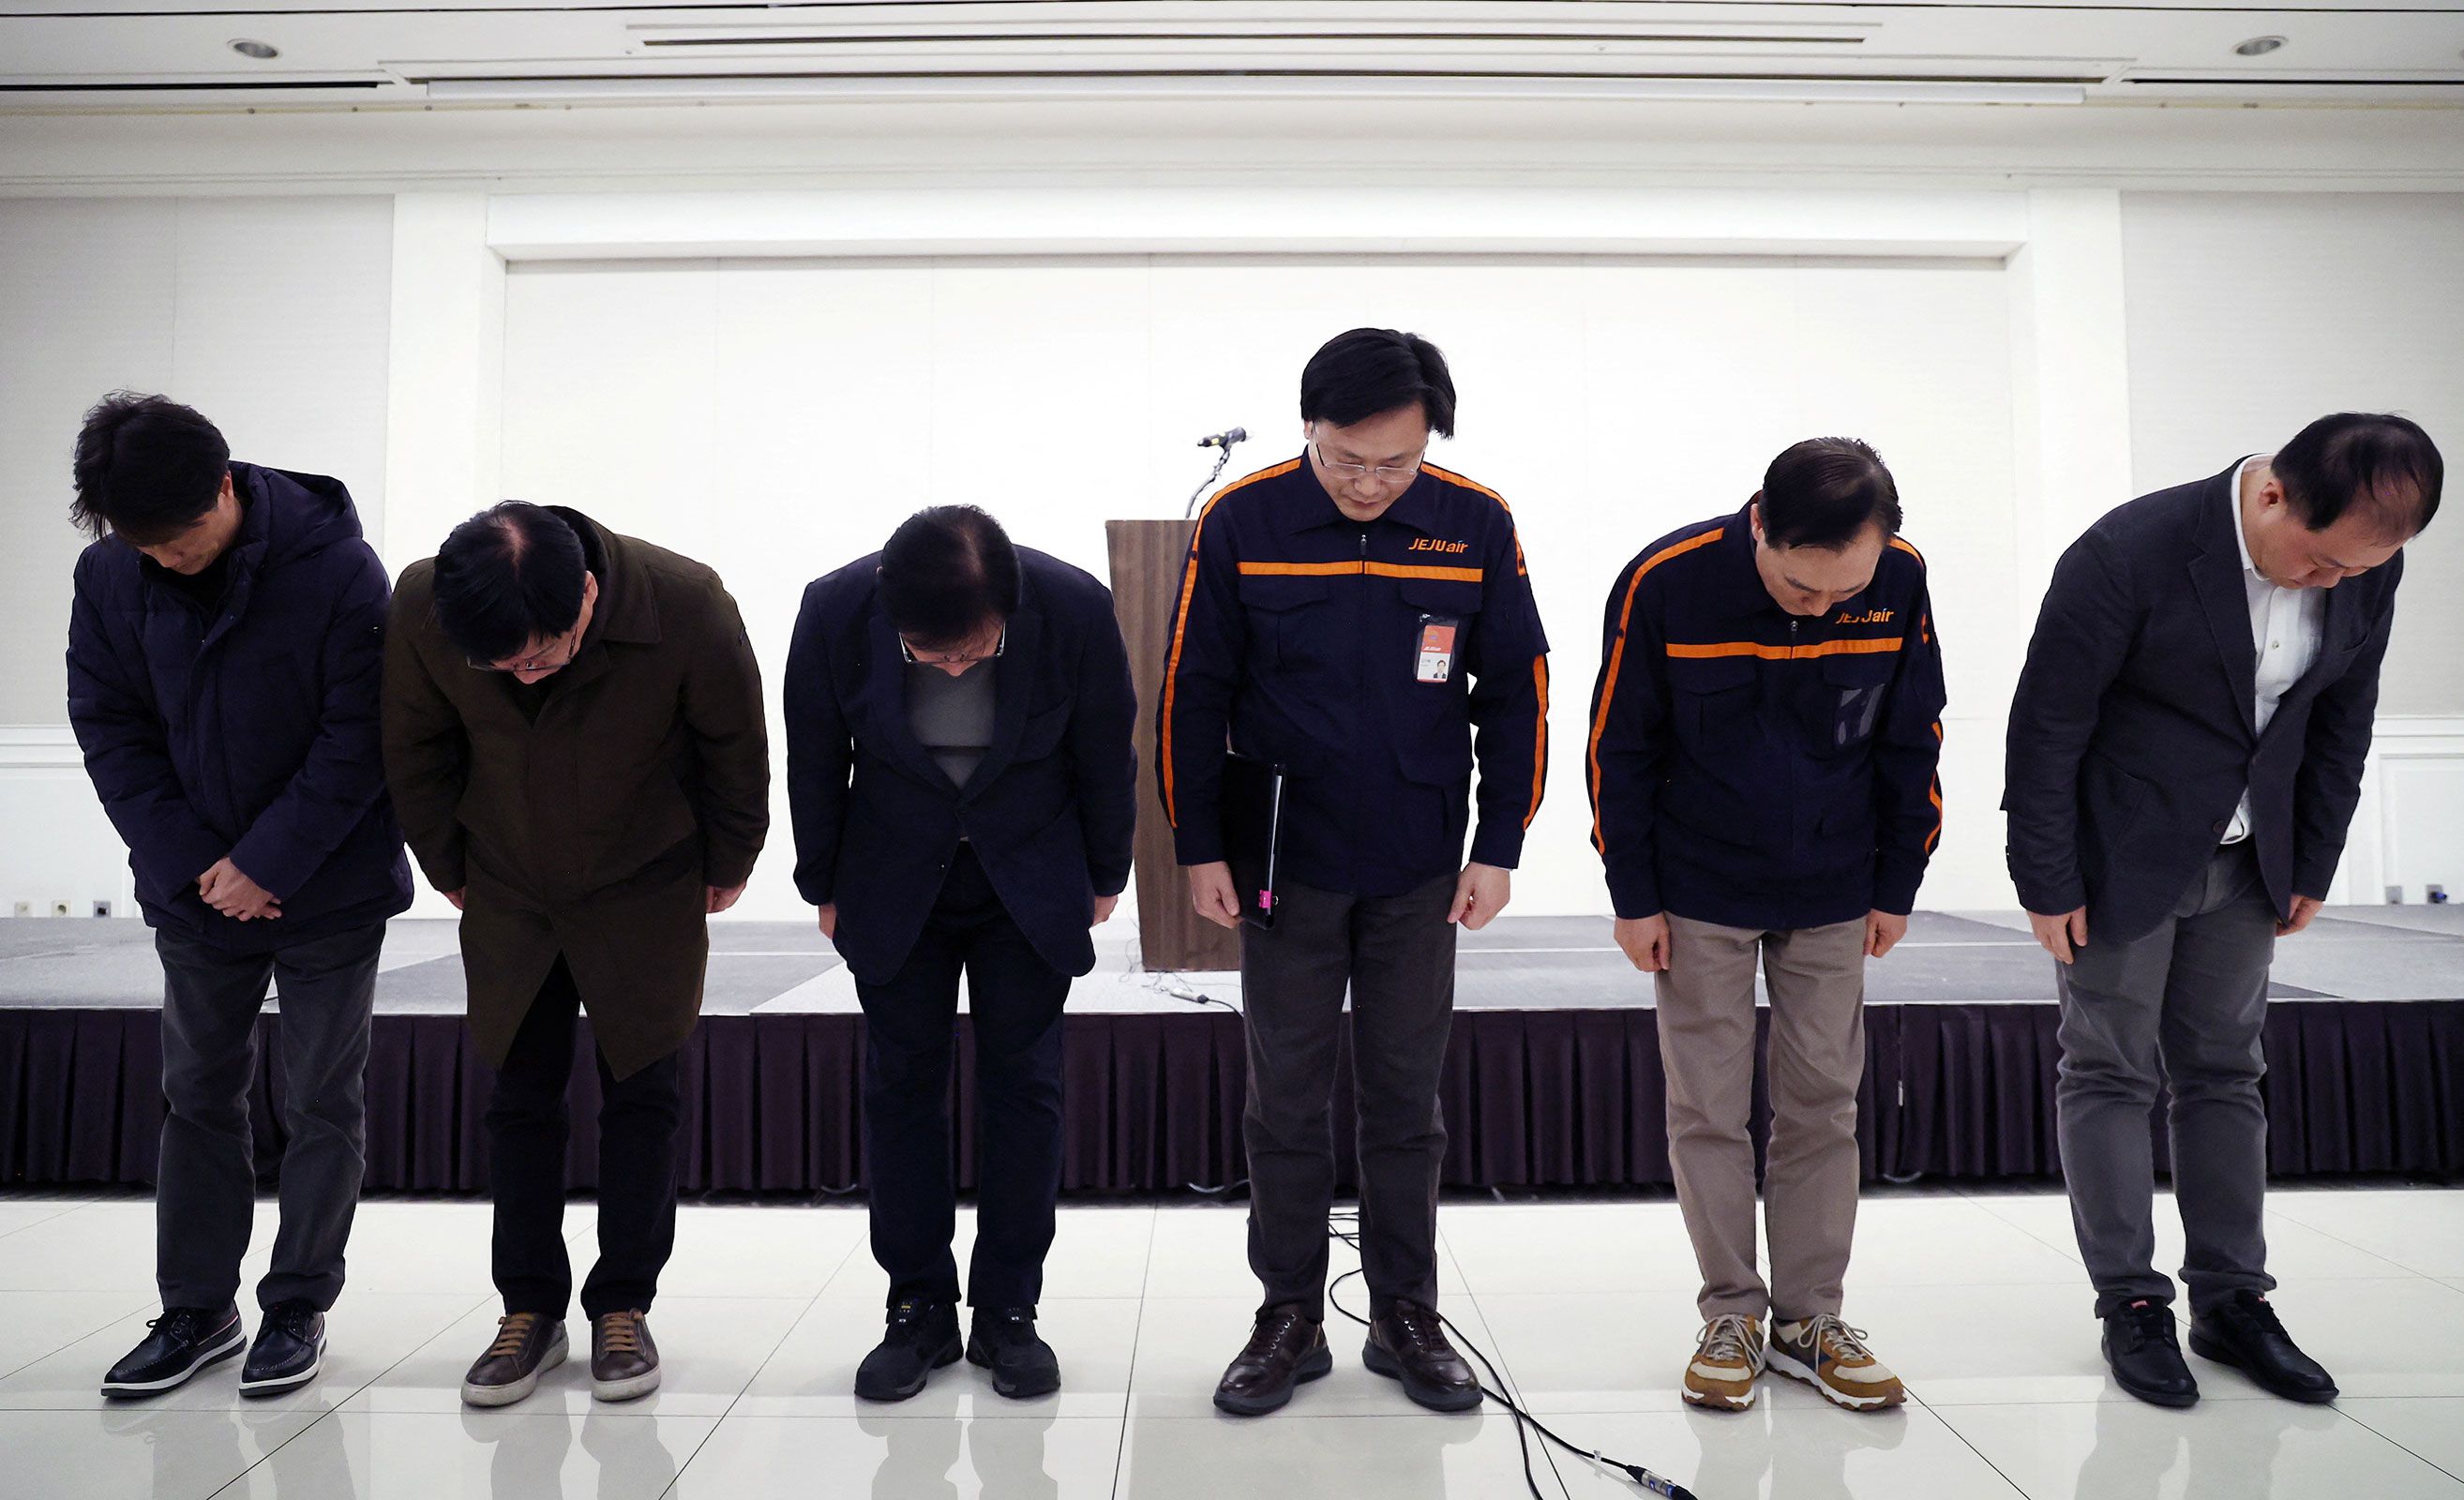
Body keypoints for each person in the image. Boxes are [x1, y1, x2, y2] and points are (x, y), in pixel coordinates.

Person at [2006, 412, 2441, 1409]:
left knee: (2226, 1073)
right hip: (2120, 852)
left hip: (2255, 858)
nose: (2337, 582)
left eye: (2360, 569)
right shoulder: (2130, 550)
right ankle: (2131, 1302)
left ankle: (2232, 1298)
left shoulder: (2368, 566)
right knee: (2110, 1069)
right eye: (2322, 561)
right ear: (2275, 494)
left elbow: (2345, 713)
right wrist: (2045, 877)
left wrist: (2315, 858)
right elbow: (2048, 723)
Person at [1159, 327, 1549, 1417]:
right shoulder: (1244, 521)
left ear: (1430, 444)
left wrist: (1499, 844)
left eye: (1397, 463)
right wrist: (1199, 843)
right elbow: (1191, 688)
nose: (1372, 484)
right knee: (1284, 1095)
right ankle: (1287, 1312)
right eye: (1348, 460)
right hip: (1285, 858)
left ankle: (1405, 1312)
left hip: (1421, 863)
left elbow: (1515, 691)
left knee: (1405, 1097)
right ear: (1308, 430)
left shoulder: (1474, 523)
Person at [381, 501, 769, 1408]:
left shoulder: (685, 601)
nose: (524, 673)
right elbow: (413, 744)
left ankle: (623, 1303)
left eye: (542, 652)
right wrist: (448, 866)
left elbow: (736, 745)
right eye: (502, 663)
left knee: (644, 1094)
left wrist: (731, 860)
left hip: (647, 878)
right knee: (519, 1095)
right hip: (509, 885)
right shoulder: (424, 605)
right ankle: (529, 1309)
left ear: (589, 592)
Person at [1585, 437, 1945, 1414]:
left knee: (1825, 1097)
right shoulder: (1665, 582)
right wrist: (1633, 894)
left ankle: (1810, 1316)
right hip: (1697, 886)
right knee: (1706, 1103)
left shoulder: (1899, 581)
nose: (1820, 607)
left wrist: (1898, 880)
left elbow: (1914, 732)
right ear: (1759, 523)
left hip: (1836, 883)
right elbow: (1619, 745)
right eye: (1797, 587)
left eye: (1843, 592)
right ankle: (1732, 1311)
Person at [66, 393, 412, 1400]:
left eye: (180, 539)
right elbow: (109, 725)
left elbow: (361, 738)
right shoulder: (109, 575)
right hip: (193, 892)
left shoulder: (339, 571)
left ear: (224, 485)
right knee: (198, 1095)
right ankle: (196, 1308)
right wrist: (192, 863)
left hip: (328, 884)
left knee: (318, 1097)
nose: (167, 558)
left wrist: (268, 862)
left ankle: (297, 1302)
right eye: (145, 544)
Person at [784, 505, 1136, 1402]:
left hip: (1029, 875)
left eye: (972, 653)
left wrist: (1106, 870)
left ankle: (1009, 1310)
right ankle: (918, 1310)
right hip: (894, 876)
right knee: (901, 1088)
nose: (951, 668)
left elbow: (1105, 749)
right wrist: (820, 881)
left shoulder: (1073, 607)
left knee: (1026, 1087)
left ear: (1009, 612)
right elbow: (816, 755)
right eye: (929, 656)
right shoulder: (833, 611)